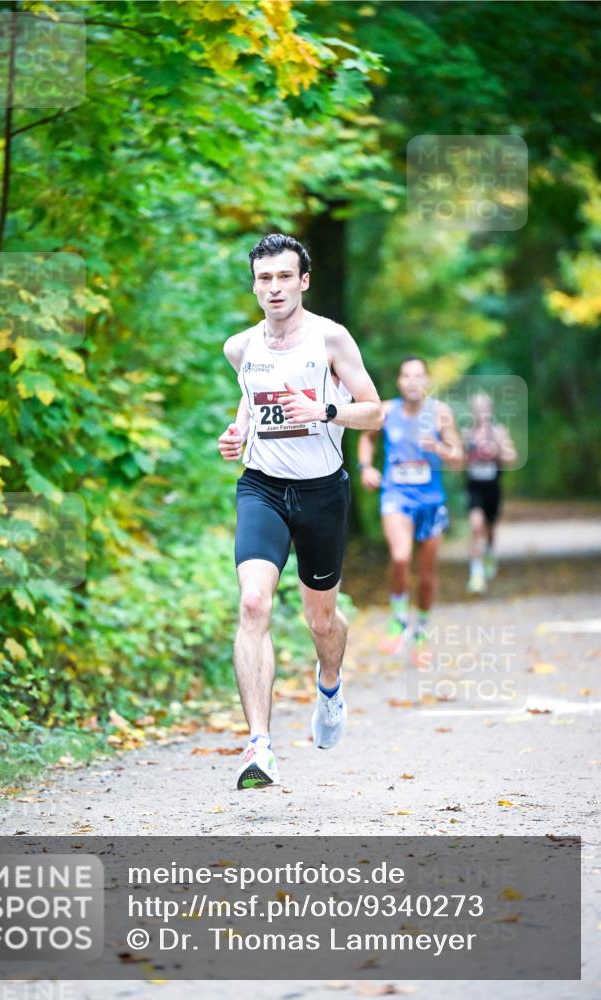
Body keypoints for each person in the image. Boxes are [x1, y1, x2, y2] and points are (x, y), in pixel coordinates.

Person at [218, 233, 383, 790]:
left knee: (320, 621)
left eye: (284, 277)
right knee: (252, 601)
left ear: (303, 281)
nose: (274, 288)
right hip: (262, 488)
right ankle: (259, 746)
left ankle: (330, 684)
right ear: (255, 284)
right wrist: (237, 430)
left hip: (321, 494)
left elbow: (375, 411)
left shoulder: (330, 339)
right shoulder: (239, 347)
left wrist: (326, 408)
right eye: (264, 278)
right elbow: (250, 394)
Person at [357, 356, 463, 665]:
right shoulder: (386, 411)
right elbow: (367, 438)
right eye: (407, 376)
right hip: (396, 495)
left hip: (431, 501)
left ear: (427, 381)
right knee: (401, 556)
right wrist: (365, 468)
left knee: (428, 573)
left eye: (419, 376)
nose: (413, 381)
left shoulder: (441, 414)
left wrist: (440, 449)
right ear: (399, 382)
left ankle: (422, 631)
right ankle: (399, 620)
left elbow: (458, 458)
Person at [464, 391, 517, 593]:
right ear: (473, 411)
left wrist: (498, 451)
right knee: (477, 526)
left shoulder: (499, 432)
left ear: (490, 410)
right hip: (473, 486)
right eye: (477, 409)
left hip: (492, 486)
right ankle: (476, 574)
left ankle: (489, 553)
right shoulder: (467, 433)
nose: (481, 412)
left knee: (490, 528)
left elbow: (512, 457)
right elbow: (457, 460)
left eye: (484, 408)